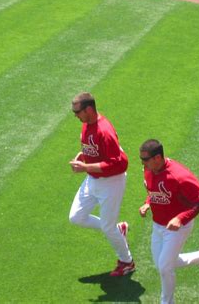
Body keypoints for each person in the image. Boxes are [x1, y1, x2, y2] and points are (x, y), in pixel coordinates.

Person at [138, 139, 199, 304]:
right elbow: (154, 190)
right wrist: (147, 203)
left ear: (157, 158)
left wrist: (181, 218)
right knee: (162, 264)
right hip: (158, 225)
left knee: (165, 267)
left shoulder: (179, 176)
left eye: (145, 159)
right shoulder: (149, 169)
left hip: (178, 228)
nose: (142, 163)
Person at [69, 92, 135, 276]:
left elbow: (119, 163)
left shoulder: (104, 131)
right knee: (76, 217)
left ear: (89, 109)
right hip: (93, 179)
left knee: (107, 227)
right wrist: (83, 156)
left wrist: (85, 167)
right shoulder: (86, 124)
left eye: (77, 112)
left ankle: (127, 261)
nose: (75, 115)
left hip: (111, 183)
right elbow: (94, 149)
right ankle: (119, 230)